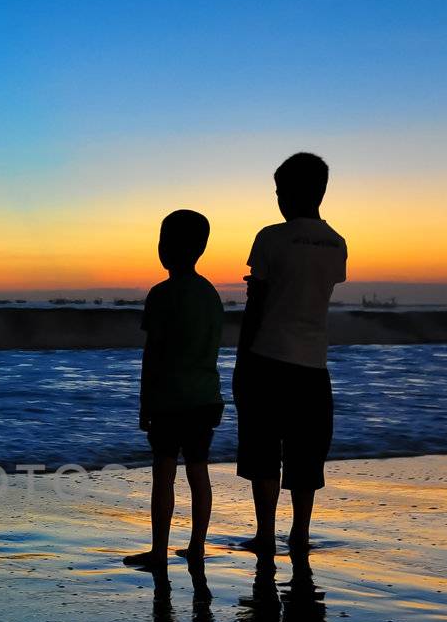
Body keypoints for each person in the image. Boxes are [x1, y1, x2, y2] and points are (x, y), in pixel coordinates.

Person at [234, 153, 347, 560]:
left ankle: (266, 533)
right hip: (314, 365)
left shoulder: (270, 237)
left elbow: (257, 304)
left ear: (294, 192)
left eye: (280, 191)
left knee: (263, 450)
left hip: (266, 357)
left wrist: (240, 360)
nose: (278, 199)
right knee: (306, 452)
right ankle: (300, 532)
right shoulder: (337, 243)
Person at [123, 210, 225, 571]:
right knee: (199, 471)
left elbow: (153, 355)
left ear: (167, 248)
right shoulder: (211, 295)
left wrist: (144, 403)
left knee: (164, 472)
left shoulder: (162, 294)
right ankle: (197, 546)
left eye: (164, 241)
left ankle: (159, 550)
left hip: (169, 398)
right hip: (205, 397)